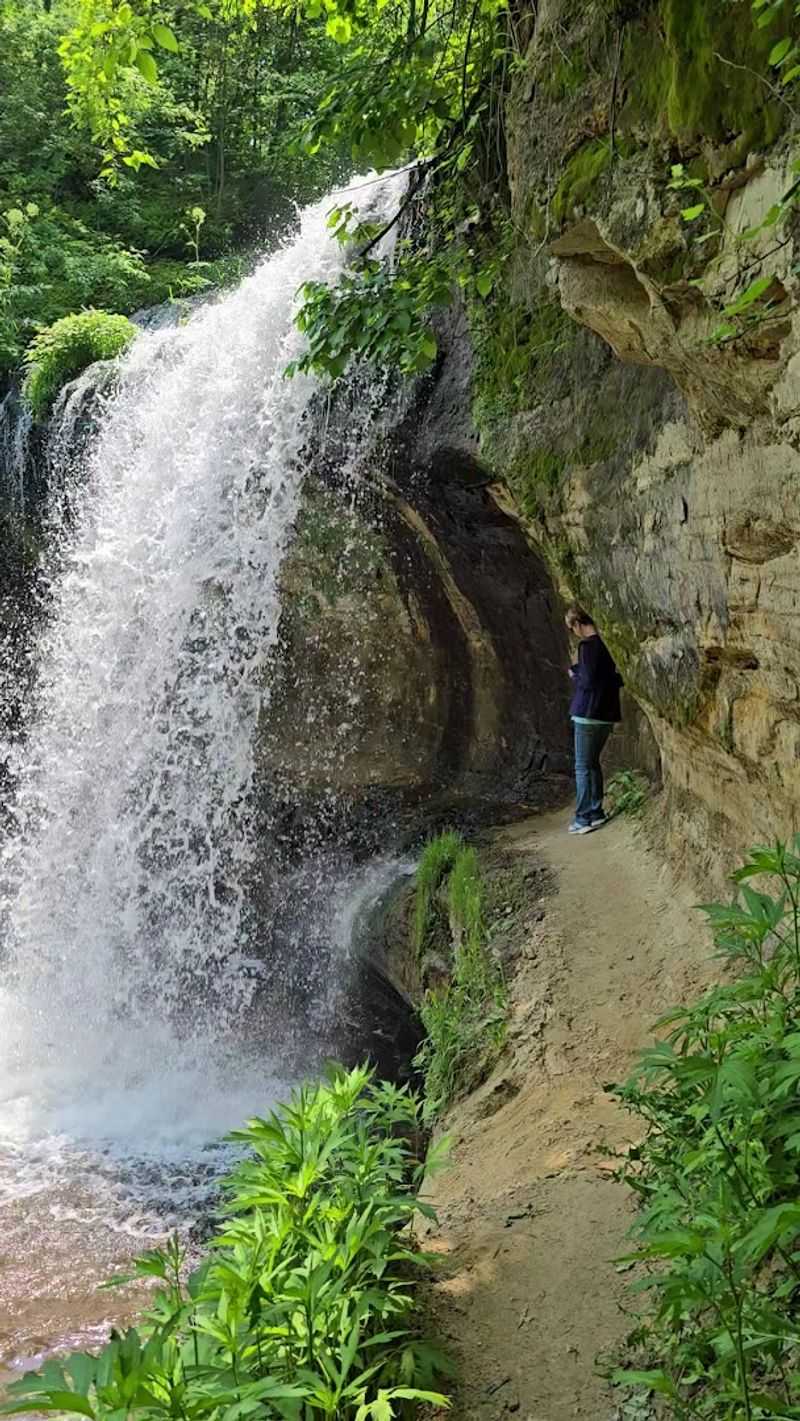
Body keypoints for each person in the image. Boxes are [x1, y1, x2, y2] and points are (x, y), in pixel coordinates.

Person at [565, 604, 623, 835]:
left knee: (582, 766)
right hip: (606, 715)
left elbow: (587, 681)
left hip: (587, 715)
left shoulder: (587, 647)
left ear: (578, 624)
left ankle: (583, 818)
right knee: (593, 764)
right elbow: (614, 678)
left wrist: (574, 674)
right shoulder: (608, 645)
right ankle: (596, 813)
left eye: (572, 628)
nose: (573, 632)